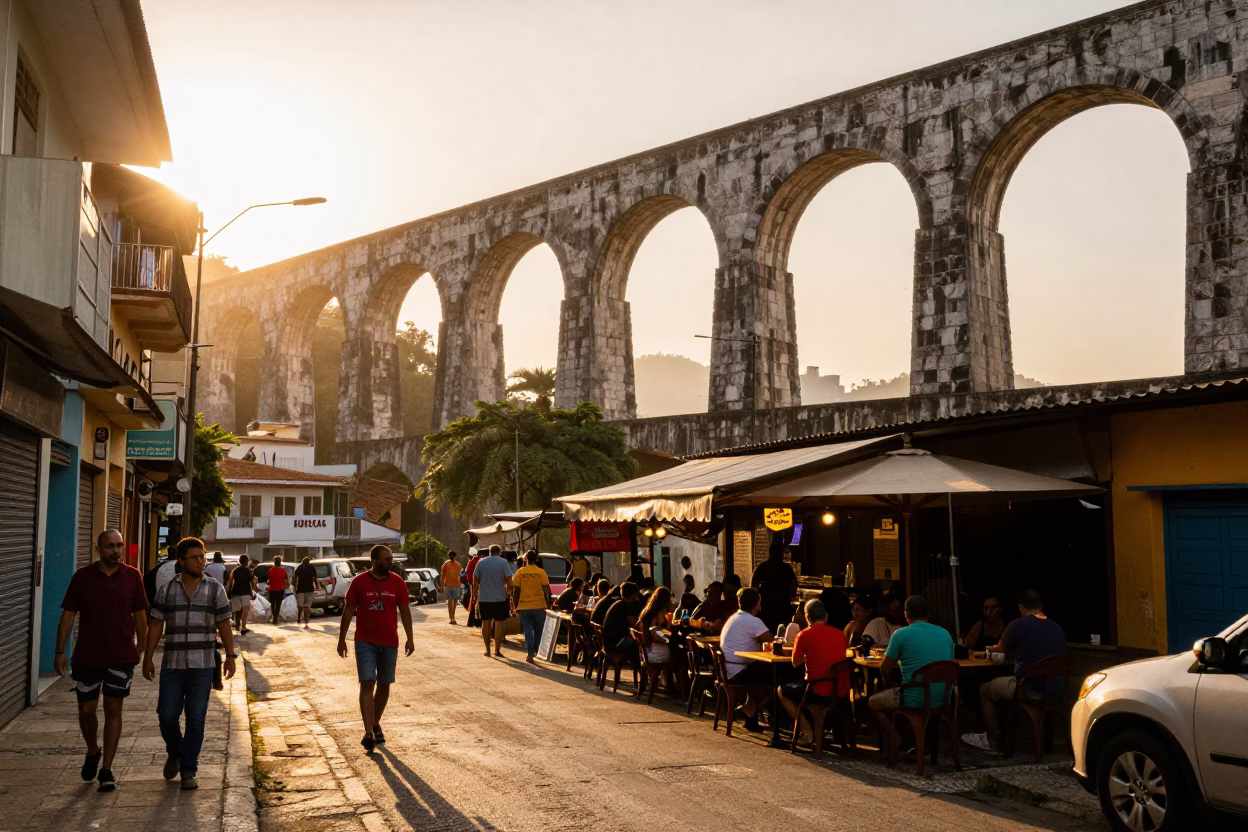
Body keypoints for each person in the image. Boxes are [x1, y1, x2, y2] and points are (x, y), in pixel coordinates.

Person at [54, 529, 149, 792]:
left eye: (119, 545)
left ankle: (106, 769)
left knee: (113, 708)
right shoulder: (83, 577)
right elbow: (68, 615)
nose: (116, 550)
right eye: (110, 546)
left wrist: (143, 647)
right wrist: (59, 650)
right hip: (87, 656)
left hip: (121, 656)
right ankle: (93, 750)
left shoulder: (132, 576)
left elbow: (140, 614)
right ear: (99, 549)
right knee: (86, 710)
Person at [143, 537, 236, 791]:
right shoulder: (167, 589)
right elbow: (156, 624)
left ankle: (188, 769)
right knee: (167, 715)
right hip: (173, 664)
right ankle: (175, 752)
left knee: (196, 718)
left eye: (202, 556)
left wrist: (230, 655)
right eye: (194, 557)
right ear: (181, 561)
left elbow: (224, 624)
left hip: (203, 665)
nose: (200, 561)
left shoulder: (215, 589)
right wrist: (148, 657)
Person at [962, 589, 1067, 753]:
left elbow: (1000, 651)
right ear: (1041, 606)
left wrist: (996, 648)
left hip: (1027, 688)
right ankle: (1024, 737)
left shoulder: (1017, 624)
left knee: (984, 689)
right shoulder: (1056, 627)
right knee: (1003, 684)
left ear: (1020, 607)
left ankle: (992, 742)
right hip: (1055, 688)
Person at [336, 545, 414, 752]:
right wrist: (341, 639)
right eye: (387, 559)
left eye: (391, 559)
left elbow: (405, 611)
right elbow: (348, 611)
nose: (391, 562)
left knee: (385, 684)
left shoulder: (397, 583)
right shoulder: (358, 582)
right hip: (365, 641)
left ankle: (375, 722)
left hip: (389, 641)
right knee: (367, 682)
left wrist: (410, 638)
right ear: (375, 561)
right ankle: (368, 732)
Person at [868, 596, 954, 742]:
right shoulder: (945, 634)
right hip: (944, 698)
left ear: (906, 614)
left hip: (913, 700)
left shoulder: (900, 635)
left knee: (873, 701)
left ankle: (896, 740)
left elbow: (884, 670)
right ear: (928, 614)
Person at [777, 599, 851, 746]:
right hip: (841, 691)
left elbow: (795, 662)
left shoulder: (804, 635)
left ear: (808, 618)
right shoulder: (840, 635)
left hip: (817, 691)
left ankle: (808, 733)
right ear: (826, 616)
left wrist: (807, 655)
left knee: (781, 690)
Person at [720, 587, 776, 732]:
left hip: (727, 670)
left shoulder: (733, 618)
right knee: (777, 677)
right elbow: (771, 641)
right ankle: (749, 711)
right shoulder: (753, 621)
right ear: (757, 603)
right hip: (739, 670)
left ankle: (749, 715)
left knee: (763, 673)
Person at [638, 586, 687, 693]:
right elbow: (656, 635)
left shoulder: (647, 611)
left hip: (645, 652)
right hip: (655, 653)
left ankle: (671, 684)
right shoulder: (657, 615)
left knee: (677, 652)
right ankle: (682, 690)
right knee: (682, 659)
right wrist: (670, 640)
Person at [472, 545, 514, 657]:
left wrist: (475, 596)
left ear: (489, 552)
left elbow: (475, 581)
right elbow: (510, 583)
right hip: (500, 598)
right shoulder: (504, 562)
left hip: (484, 598)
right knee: (499, 624)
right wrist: (509, 594)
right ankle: (497, 650)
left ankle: (487, 650)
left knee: (486, 623)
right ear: (499, 552)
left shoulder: (481, 562)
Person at [512, 551, 552, 664]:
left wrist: (515, 606)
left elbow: (516, 591)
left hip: (524, 606)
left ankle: (530, 653)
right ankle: (536, 649)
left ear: (525, 559)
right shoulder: (541, 572)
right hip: (539, 606)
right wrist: (548, 603)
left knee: (528, 629)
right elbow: (546, 589)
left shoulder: (520, 572)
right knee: (539, 630)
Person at [750, 542, 798, 631]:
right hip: (780, 604)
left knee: (767, 628)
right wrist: (791, 596)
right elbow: (794, 583)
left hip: (768, 605)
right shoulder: (786, 568)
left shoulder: (763, 566)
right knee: (781, 629)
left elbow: (754, 584)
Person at [601, 581, 643, 658]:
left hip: (607, 643)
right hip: (616, 644)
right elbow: (636, 625)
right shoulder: (626, 605)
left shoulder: (618, 603)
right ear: (633, 594)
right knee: (642, 646)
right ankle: (641, 668)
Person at [227, 555, 257, 634]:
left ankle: (237, 626)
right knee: (245, 610)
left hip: (235, 592)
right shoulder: (249, 570)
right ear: (247, 561)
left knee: (237, 610)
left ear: (239, 561)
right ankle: (243, 627)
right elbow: (253, 582)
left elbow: (230, 582)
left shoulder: (235, 570)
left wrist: (229, 591)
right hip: (246, 592)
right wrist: (253, 591)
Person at [293, 556, 319, 628]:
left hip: (300, 589)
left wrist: (295, 588)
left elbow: (295, 579)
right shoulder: (312, 568)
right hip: (309, 589)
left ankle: (298, 619)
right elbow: (314, 579)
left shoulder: (299, 568)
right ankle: (306, 619)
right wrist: (317, 586)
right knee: (307, 605)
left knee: (300, 605)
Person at [439, 550, 463, 624]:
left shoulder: (457, 565)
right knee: (451, 601)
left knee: (453, 601)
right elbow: (443, 576)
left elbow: (460, 576)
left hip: (455, 585)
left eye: (453, 556)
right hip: (450, 585)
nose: (452, 557)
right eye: (451, 556)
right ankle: (451, 617)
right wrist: (442, 586)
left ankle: (452, 617)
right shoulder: (447, 564)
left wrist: (460, 585)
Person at [463, 547, 483, 628]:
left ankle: (471, 621)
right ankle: (479, 622)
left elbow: (467, 574)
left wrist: (471, 583)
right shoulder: (481, 562)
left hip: (473, 585)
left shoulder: (471, 562)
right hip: (483, 585)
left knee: (474, 602)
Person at [267, 555, 288, 625]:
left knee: (272, 604)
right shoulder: (283, 570)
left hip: (272, 589)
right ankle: (275, 618)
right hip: (280, 589)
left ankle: (274, 617)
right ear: (280, 562)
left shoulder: (270, 571)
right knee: (278, 604)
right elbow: (286, 579)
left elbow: (269, 580)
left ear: (274, 562)